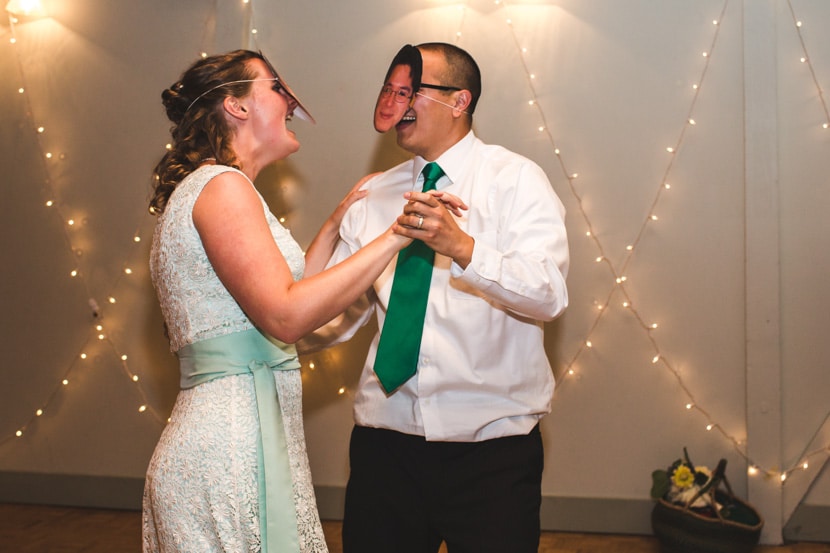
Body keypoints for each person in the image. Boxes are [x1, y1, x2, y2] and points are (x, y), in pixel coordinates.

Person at [141, 49, 420, 553]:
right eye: (276, 87)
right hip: (230, 449)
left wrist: (336, 224)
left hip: (242, 436)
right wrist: (399, 234)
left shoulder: (218, 187)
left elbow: (286, 296)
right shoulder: (224, 188)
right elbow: (287, 317)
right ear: (237, 106)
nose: (291, 102)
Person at [308, 43, 570, 552]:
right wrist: (263, 331)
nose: (396, 101)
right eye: (390, 89)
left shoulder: (516, 180)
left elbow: (548, 293)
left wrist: (463, 247)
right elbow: (332, 319)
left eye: (410, 90)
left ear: (459, 101)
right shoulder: (373, 194)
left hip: (492, 449)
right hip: (385, 446)